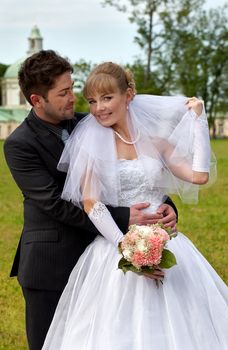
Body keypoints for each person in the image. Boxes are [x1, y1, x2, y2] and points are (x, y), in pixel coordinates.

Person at [42, 61, 228, 350]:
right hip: (114, 249)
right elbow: (91, 202)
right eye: (92, 101)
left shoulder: (156, 141)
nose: (98, 108)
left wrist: (199, 122)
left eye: (107, 98)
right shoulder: (92, 143)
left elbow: (199, 175)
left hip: (167, 244)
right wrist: (126, 248)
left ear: (128, 95)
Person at [3, 51, 178, 350]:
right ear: (37, 100)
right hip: (51, 265)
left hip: (102, 264)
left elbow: (136, 166)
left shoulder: (93, 123)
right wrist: (125, 218)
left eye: (72, 87)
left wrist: (164, 207)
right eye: (64, 93)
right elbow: (56, 204)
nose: (74, 98)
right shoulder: (19, 144)